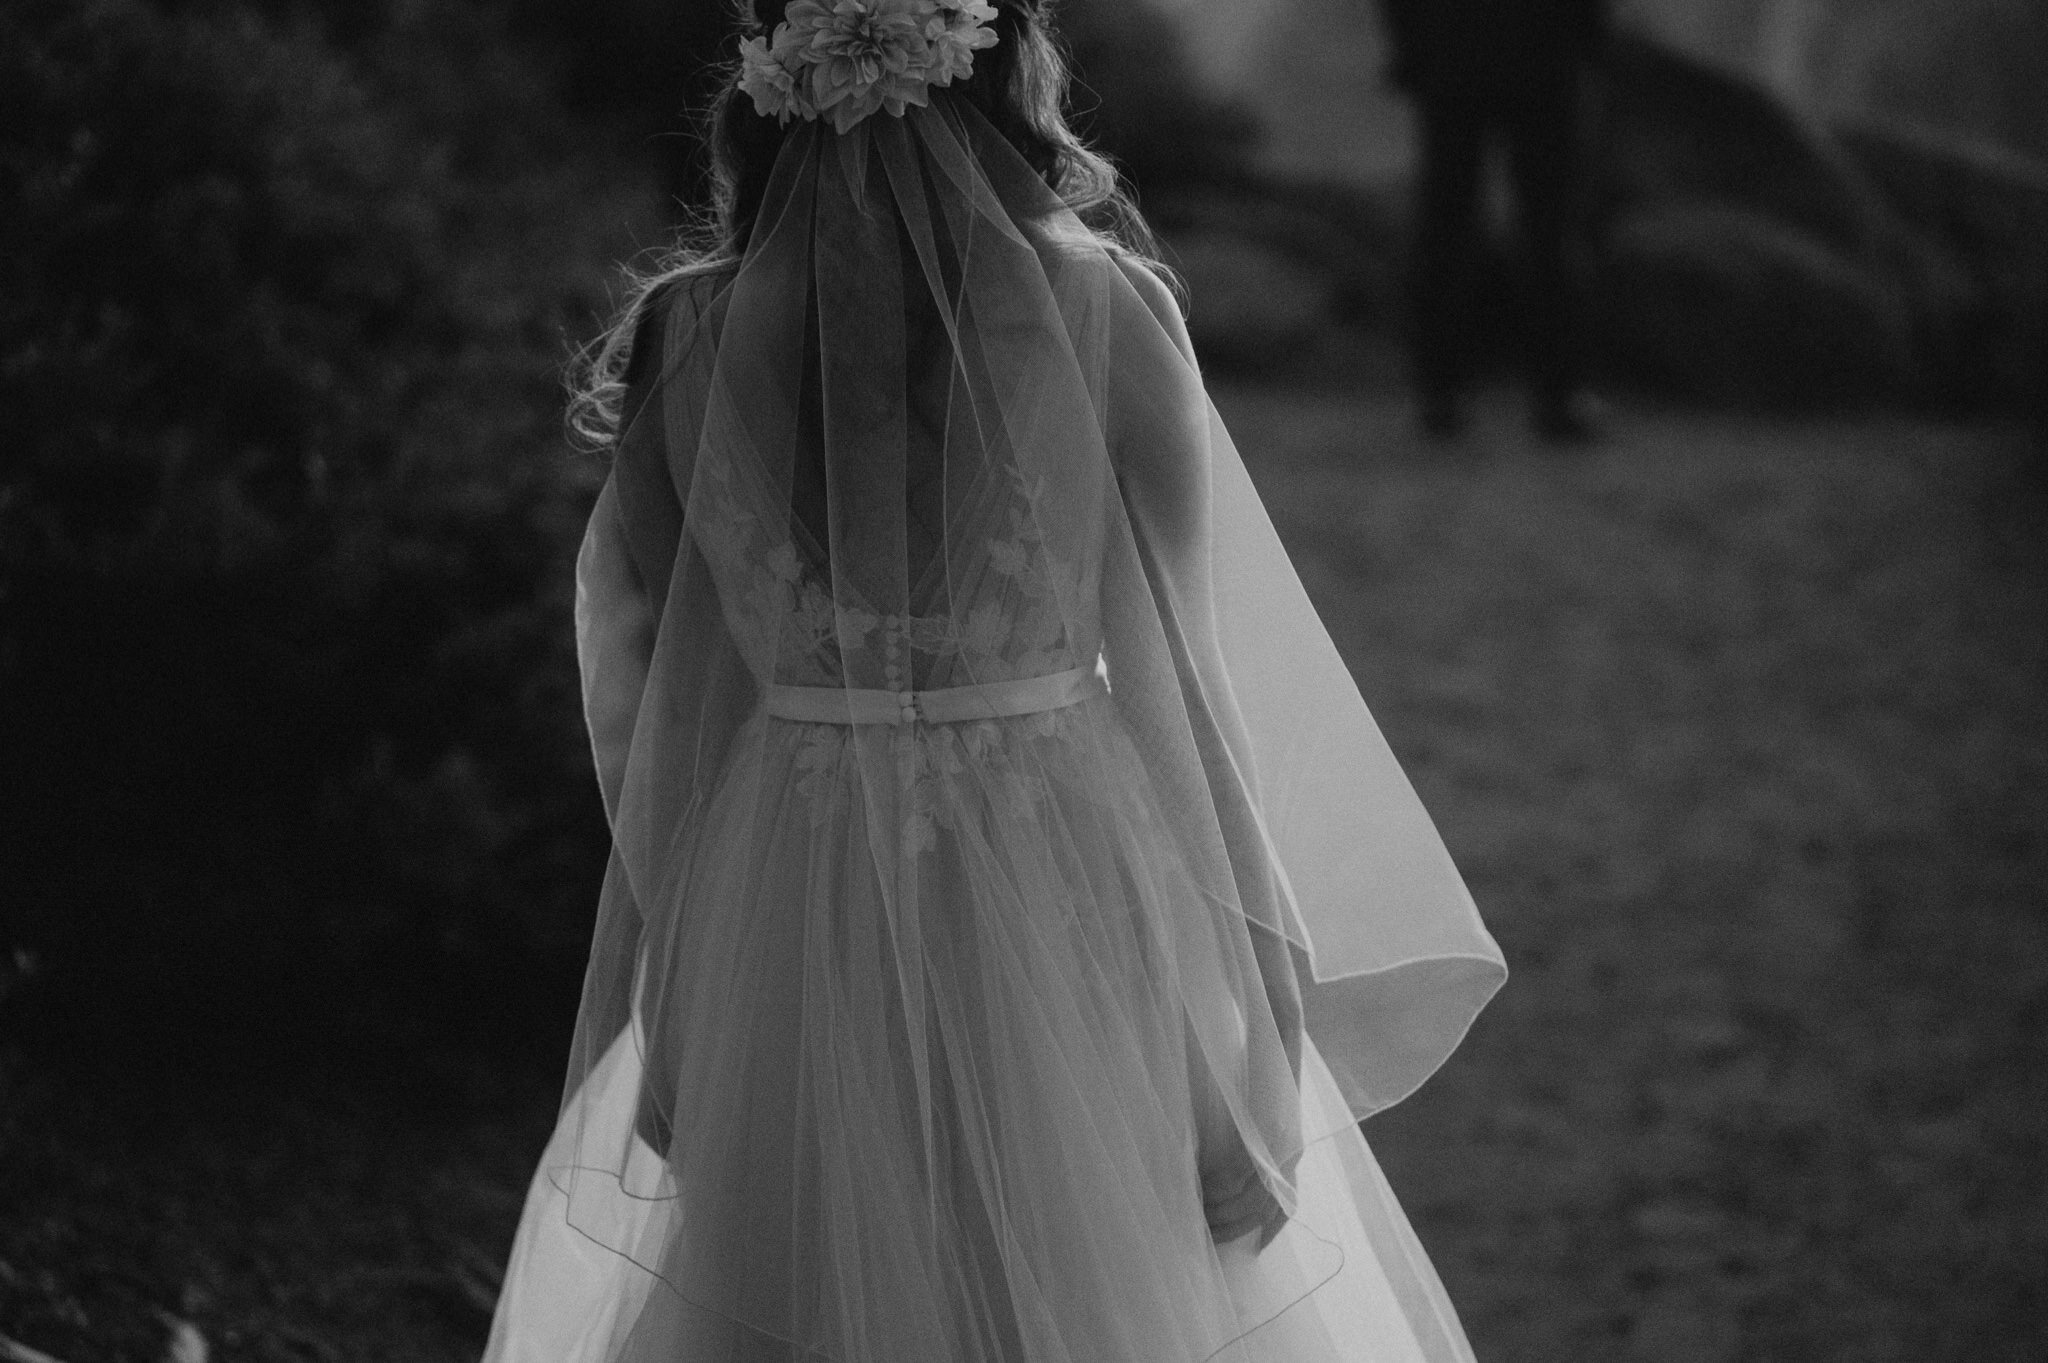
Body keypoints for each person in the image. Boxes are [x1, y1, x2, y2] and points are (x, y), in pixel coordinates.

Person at [483, 2, 1505, 1359]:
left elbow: (665, 701)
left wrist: (674, 998)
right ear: (1005, 71)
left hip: (790, 875)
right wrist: (1254, 1022)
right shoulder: (1105, 306)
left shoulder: (693, 332)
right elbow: (1190, 696)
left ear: (771, 82)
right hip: (1064, 858)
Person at [1379, 0, 1608, 440]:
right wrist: (1586, 43)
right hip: (1538, 55)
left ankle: (1441, 393)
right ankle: (1556, 394)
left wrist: (1411, 49)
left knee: (1450, 223)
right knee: (1546, 227)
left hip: (1457, 55)